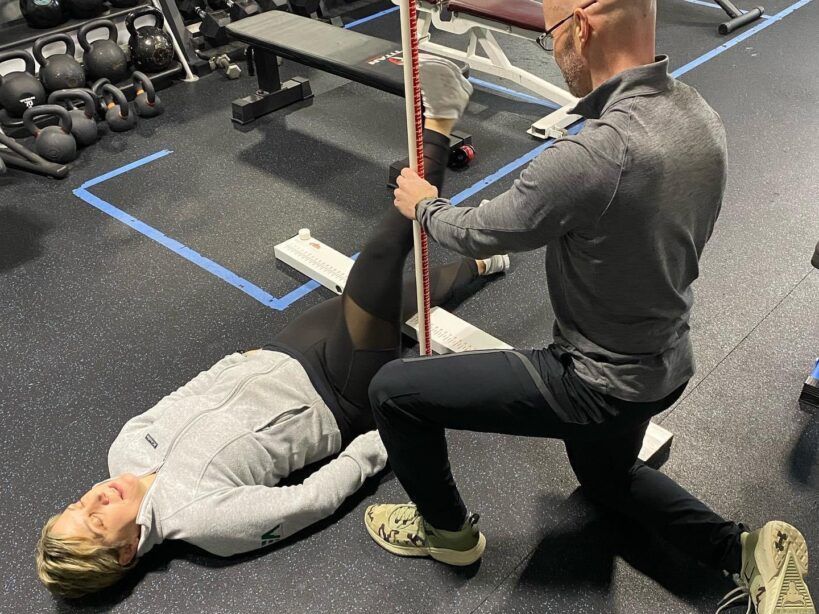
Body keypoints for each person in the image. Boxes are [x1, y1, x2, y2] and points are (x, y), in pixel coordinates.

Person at [363, 2, 815, 614]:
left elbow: (476, 231)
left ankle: (449, 536)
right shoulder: (701, 118)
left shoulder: (594, 155)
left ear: (581, 27)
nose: (552, 50)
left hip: (593, 383)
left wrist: (422, 202)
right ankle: (744, 550)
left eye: (550, 35)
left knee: (394, 390)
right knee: (605, 481)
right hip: (666, 364)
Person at [35, 57, 509, 600]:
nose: (95, 500)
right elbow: (309, 501)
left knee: (390, 295)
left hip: (283, 357)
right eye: (96, 522)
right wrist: (384, 441)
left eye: (77, 505)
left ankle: (480, 264)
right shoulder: (205, 524)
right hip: (338, 396)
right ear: (124, 553)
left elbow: (184, 394)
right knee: (375, 265)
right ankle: (441, 123)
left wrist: (238, 362)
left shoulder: (125, 451)